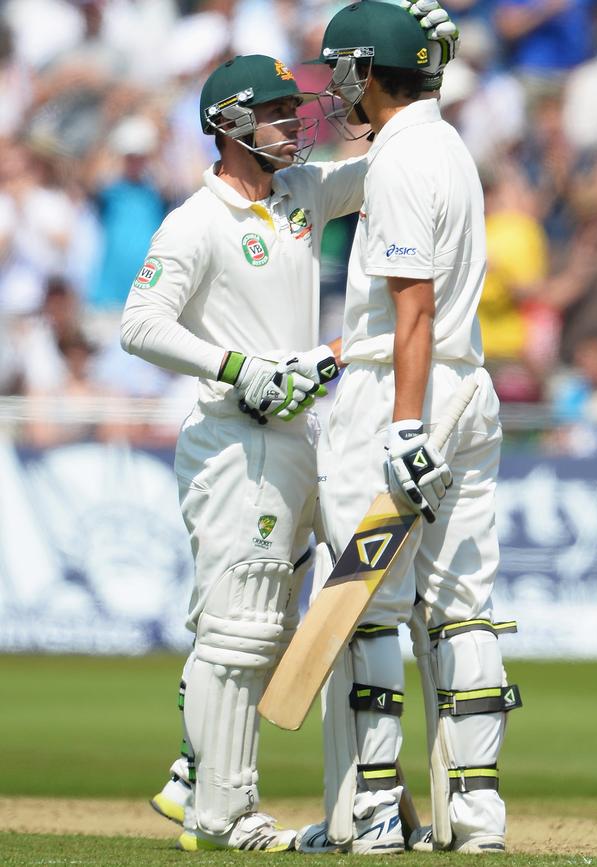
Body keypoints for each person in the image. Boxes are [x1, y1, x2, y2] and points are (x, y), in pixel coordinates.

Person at [119, 30, 455, 850]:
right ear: (227, 123)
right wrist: (239, 367)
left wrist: (425, 72)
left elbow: (394, 164)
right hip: (237, 439)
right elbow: (139, 323)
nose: (291, 123)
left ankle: (332, 805)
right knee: (242, 629)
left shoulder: (299, 191)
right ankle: (220, 810)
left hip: (306, 434)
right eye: (272, 113)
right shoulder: (196, 221)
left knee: (321, 620)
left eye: (289, 108)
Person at [294, 1, 521, 856]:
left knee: (367, 607)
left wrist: (400, 429)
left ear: (365, 71)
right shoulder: (447, 143)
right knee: (465, 603)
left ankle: (377, 810)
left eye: (341, 71)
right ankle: (475, 815)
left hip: (403, 390)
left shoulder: (396, 163)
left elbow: (411, 307)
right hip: (472, 390)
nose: (334, 88)